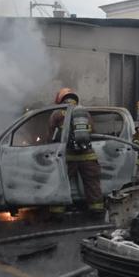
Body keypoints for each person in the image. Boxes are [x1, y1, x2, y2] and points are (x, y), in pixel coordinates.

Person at [48, 88, 103, 217]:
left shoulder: (57, 114)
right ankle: (97, 211)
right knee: (92, 184)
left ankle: (57, 213)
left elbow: (50, 136)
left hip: (67, 156)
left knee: (61, 182)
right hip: (87, 155)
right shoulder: (84, 113)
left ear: (61, 100)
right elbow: (93, 132)